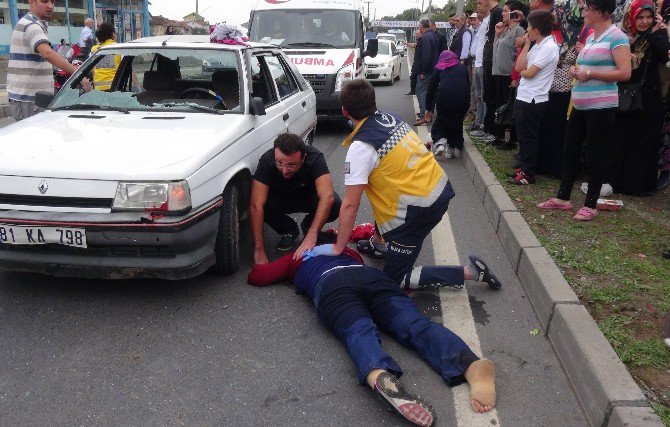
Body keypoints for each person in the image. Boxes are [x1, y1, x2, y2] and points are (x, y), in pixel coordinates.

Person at [247, 248, 498, 426]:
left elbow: (258, 277)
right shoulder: (345, 248)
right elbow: (362, 244)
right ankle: (470, 364)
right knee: (415, 325)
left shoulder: (299, 256)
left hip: (332, 285)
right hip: (370, 277)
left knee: (359, 330)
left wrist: (271, 258)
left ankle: (378, 374)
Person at [305, 79, 503, 293]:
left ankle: (470, 272)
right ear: (373, 102)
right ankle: (380, 244)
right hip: (437, 190)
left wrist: (337, 248)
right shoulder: (390, 118)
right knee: (383, 191)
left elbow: (350, 206)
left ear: (344, 110)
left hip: (418, 211)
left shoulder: (361, 147)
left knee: (394, 281)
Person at [537, 0, 632, 221]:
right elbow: (585, 66)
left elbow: (624, 72)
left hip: (601, 106)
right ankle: (563, 198)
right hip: (580, 103)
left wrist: (589, 73)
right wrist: (576, 70)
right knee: (570, 150)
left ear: (601, 12)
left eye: (588, 9)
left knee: (594, 155)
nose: (584, 12)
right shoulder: (590, 36)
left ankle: (591, 204)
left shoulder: (617, 37)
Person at [605, 0, 669, 195]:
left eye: (648, 17)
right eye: (640, 17)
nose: (644, 21)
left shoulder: (657, 35)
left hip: (649, 97)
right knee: (621, 138)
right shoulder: (624, 37)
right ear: (631, 17)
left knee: (644, 142)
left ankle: (638, 185)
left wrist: (655, 34)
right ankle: (617, 181)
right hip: (625, 95)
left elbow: (664, 56)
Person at [250, 133, 341, 264]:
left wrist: (312, 234)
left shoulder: (315, 157)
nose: (284, 170)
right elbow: (255, 204)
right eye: (279, 163)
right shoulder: (267, 160)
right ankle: (289, 229)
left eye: (291, 165)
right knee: (260, 204)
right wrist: (259, 250)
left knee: (335, 203)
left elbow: (327, 196)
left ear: (303, 158)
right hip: (279, 201)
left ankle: (309, 226)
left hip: (307, 198)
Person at [6, 0, 91, 121]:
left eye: (52, 2)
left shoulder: (31, 23)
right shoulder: (31, 25)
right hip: (30, 100)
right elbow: (47, 53)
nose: (50, 6)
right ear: (31, 1)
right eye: (44, 1)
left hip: (29, 99)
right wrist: (79, 75)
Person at [510, 11, 560, 185]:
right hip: (524, 95)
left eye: (529, 28)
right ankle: (523, 167)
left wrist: (523, 73)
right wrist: (526, 46)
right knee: (522, 136)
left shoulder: (549, 47)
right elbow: (519, 66)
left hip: (534, 98)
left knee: (529, 137)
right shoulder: (537, 45)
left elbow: (529, 73)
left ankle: (528, 172)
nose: (527, 31)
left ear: (536, 30)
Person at [491, 0, 526, 148]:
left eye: (506, 11)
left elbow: (518, 53)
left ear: (514, 13)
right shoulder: (505, 30)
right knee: (499, 105)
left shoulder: (519, 30)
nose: (503, 13)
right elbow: (496, 49)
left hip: (508, 74)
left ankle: (510, 139)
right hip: (498, 72)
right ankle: (499, 135)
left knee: (509, 108)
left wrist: (515, 76)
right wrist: (497, 35)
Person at [424, 51, 472, 159]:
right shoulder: (462, 68)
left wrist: (428, 109)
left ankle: (440, 142)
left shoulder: (439, 68)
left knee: (441, 121)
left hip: (445, 99)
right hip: (462, 99)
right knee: (457, 122)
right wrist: (467, 106)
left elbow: (431, 89)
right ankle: (451, 148)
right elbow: (467, 86)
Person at [482, 0, 505, 138]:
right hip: (489, 58)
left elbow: (497, 37)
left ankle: (491, 130)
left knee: (491, 96)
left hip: (492, 60)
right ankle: (487, 128)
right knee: (487, 96)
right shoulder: (493, 13)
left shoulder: (497, 12)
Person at [470, 2, 492, 135]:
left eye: (480, 3)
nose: (478, 7)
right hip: (477, 63)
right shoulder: (483, 23)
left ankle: (483, 124)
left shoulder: (491, 20)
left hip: (483, 64)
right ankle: (478, 122)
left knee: (484, 96)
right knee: (478, 96)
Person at [414, 18, 441, 126]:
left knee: (421, 91)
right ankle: (428, 114)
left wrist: (423, 72)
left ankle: (423, 115)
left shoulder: (425, 37)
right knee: (429, 92)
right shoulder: (433, 35)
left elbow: (426, 56)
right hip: (433, 69)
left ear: (421, 27)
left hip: (426, 70)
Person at [90, 22, 121, 91]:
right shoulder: (118, 48)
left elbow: (92, 70)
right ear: (113, 34)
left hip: (99, 90)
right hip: (115, 88)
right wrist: (137, 86)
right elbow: (128, 69)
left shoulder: (94, 49)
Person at [467, 12, 483, 117]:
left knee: (477, 89)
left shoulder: (482, 29)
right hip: (473, 60)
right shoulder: (472, 31)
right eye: (471, 20)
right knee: (473, 88)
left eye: (474, 19)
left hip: (478, 61)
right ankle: (473, 111)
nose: (472, 22)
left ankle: (475, 113)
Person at [406, 29, 423, 96]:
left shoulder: (423, 41)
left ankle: (416, 91)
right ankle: (413, 90)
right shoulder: (419, 41)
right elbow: (414, 45)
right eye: (415, 34)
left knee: (416, 77)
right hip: (416, 63)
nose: (416, 36)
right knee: (413, 77)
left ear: (421, 34)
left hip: (419, 63)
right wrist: (406, 43)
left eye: (417, 34)